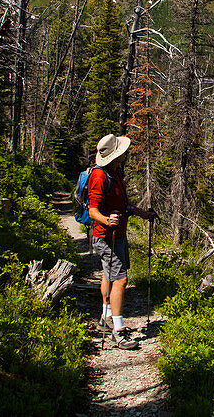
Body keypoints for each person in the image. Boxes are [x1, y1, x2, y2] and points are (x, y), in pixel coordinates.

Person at [88, 133, 155, 350]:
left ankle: (105, 316)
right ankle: (119, 331)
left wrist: (143, 214)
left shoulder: (114, 172)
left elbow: (124, 205)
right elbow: (92, 211)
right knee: (121, 280)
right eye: (122, 152)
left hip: (118, 235)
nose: (125, 155)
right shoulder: (99, 176)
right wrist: (107, 220)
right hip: (106, 236)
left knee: (110, 275)